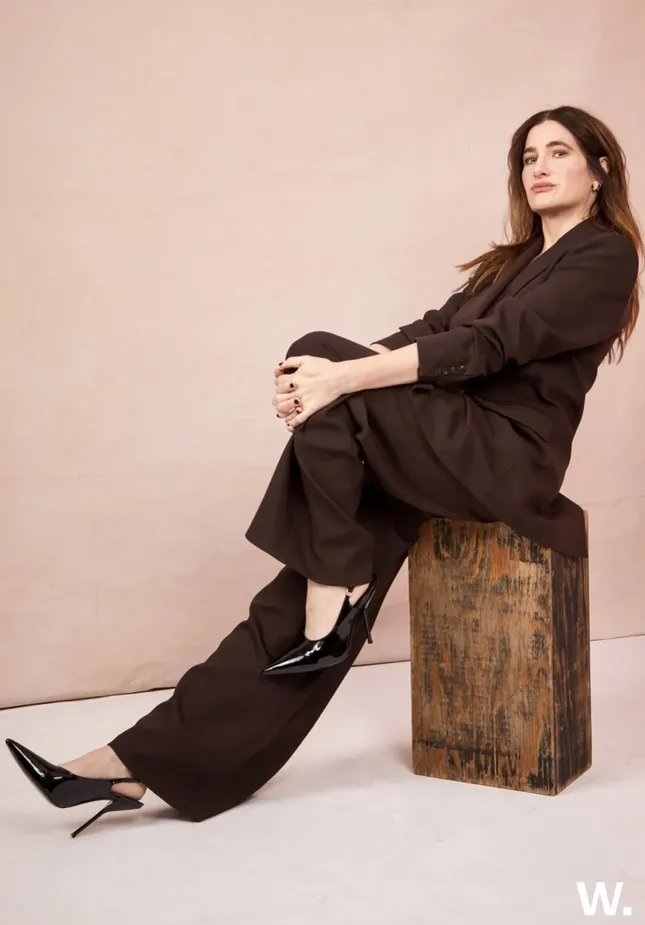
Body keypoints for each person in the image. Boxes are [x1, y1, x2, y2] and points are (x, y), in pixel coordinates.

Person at [6, 105, 642, 837]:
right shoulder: (510, 263)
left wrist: (338, 379)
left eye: (557, 152)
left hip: (505, 457)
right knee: (285, 608)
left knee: (329, 372)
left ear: (599, 170)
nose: (538, 167)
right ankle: (132, 762)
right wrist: (315, 377)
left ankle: (334, 582)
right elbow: (430, 330)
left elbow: (491, 344)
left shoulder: (606, 256)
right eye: (528, 156)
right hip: (440, 446)